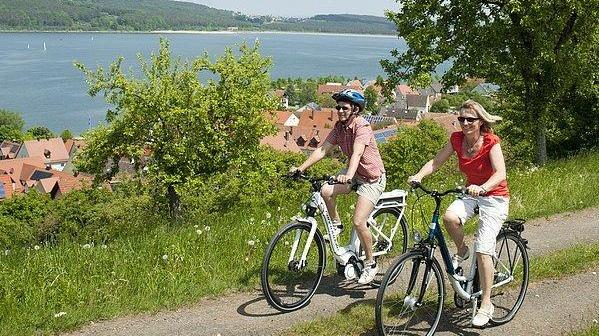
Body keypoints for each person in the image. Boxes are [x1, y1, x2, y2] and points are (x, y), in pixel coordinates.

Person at [408, 99, 509, 327]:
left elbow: (501, 173)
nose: (464, 123)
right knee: (449, 217)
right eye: (461, 118)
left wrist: (484, 187)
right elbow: (436, 161)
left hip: (494, 197)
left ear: (480, 122)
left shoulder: (491, 141)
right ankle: (462, 250)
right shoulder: (456, 139)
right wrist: (419, 175)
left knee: (483, 250)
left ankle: (485, 303)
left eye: (470, 119)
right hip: (472, 194)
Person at [290, 89, 386, 284]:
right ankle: (336, 224)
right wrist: (300, 168)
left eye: (344, 107)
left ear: (355, 110)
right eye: (338, 107)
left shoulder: (363, 127)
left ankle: (370, 263)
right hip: (354, 175)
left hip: (371, 178)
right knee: (325, 190)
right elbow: (323, 150)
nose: (340, 111)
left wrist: (348, 176)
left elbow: (358, 153)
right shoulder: (339, 128)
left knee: (359, 222)